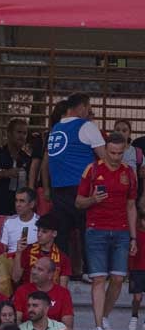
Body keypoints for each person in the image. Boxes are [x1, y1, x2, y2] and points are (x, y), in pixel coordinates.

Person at [78, 131, 138, 330]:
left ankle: (103, 316)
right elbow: (78, 202)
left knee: (119, 279)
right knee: (99, 279)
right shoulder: (92, 169)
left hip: (121, 231)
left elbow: (131, 206)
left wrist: (133, 238)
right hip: (96, 230)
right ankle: (97, 328)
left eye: (120, 153)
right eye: (112, 152)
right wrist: (93, 199)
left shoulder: (130, 172)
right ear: (105, 150)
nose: (115, 157)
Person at [47, 93, 106, 277]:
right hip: (81, 188)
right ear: (81, 107)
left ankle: (64, 273)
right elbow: (105, 158)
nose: (89, 112)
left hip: (58, 188)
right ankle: (91, 271)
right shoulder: (86, 126)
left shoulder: (55, 129)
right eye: (88, 108)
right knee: (87, 230)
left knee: (62, 233)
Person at [0, 118, 31, 217]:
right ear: (9, 133)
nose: (22, 136)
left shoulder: (27, 158)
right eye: (19, 132)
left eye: (25, 133)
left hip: (18, 213)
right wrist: (5, 173)